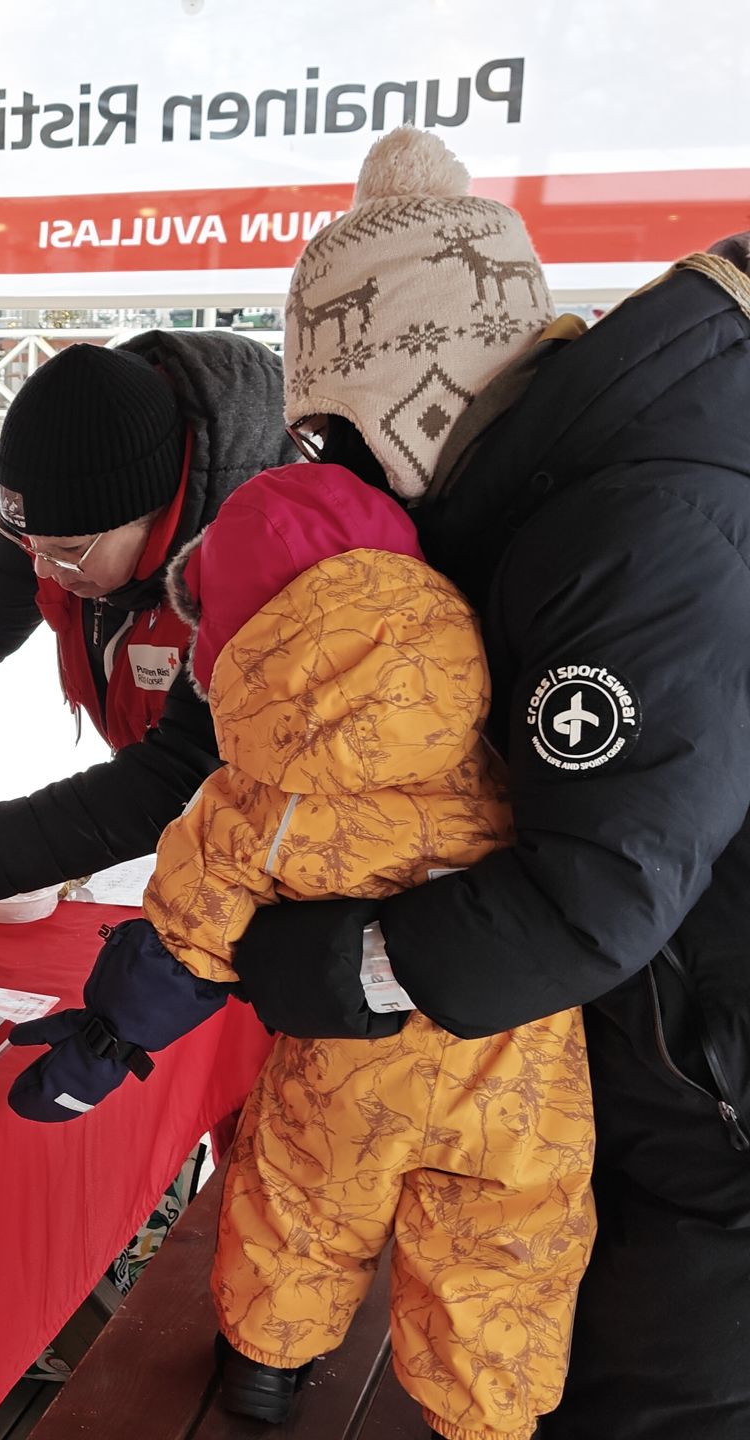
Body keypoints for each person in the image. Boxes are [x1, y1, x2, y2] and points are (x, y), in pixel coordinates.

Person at [228, 128, 750, 1438]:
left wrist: (341, 964)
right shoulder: (540, 497)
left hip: (710, 1115)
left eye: (330, 432)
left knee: (629, 1407)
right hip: (636, 1049)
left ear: (414, 398)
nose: (330, 472)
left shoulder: (626, 534)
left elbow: (598, 891)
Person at [7, 463, 594, 1440]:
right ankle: (486, 1420)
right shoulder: (503, 741)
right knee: (501, 1250)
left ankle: (265, 1365)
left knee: (300, 1205)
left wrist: (108, 1041)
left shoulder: (255, 800)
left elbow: (187, 936)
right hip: (513, 1065)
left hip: (343, 1072)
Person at [0, 331, 294, 943]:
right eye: (30, 546)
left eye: (68, 551)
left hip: (304, 864)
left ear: (158, 511)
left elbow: (186, 773)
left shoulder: (268, 556)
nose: (45, 571)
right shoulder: (71, 506)